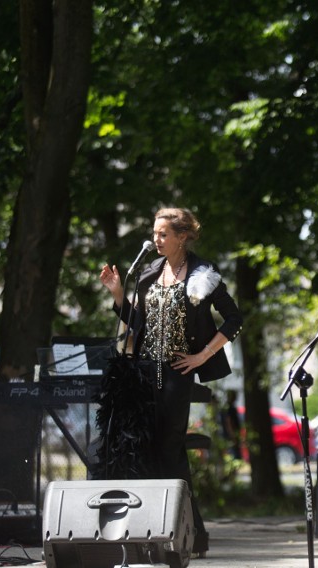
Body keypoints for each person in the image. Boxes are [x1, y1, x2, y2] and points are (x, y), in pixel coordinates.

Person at [100, 207, 243, 558]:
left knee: (170, 451)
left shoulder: (202, 275)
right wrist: (119, 294)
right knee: (149, 451)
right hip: (145, 374)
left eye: (163, 234)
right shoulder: (149, 274)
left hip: (178, 376)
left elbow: (235, 319)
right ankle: (167, 534)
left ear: (182, 236)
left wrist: (202, 356)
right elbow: (136, 323)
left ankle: (190, 534)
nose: (156, 239)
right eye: (155, 233)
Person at [220, 390, 242, 460]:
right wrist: (233, 436)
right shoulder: (229, 408)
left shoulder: (226, 407)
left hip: (229, 436)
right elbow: (228, 422)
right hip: (230, 436)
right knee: (233, 455)